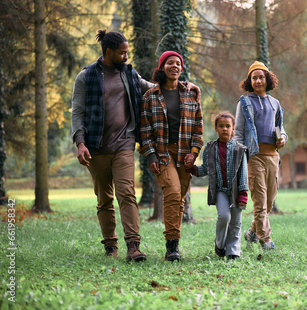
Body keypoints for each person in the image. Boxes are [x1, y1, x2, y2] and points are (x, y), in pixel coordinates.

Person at [71, 30, 152, 262]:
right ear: (108, 52)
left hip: (124, 143)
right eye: (122, 52)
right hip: (95, 147)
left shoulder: (128, 73)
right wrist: (80, 142)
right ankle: (110, 247)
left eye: (127, 52)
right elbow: (77, 111)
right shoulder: (86, 76)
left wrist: (181, 86)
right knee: (104, 199)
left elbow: (151, 87)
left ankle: (133, 246)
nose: (126, 56)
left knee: (126, 193)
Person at [140, 51, 203, 261]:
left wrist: (194, 153)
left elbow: (198, 127)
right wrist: (151, 157)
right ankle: (171, 246)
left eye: (177, 63)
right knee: (173, 194)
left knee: (180, 198)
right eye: (169, 63)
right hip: (163, 152)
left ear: (181, 69)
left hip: (185, 153)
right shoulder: (151, 96)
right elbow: (145, 130)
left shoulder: (191, 93)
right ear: (162, 67)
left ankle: (174, 244)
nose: (174, 66)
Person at [235, 61, 287, 251]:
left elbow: (281, 129)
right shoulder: (244, 102)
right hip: (254, 156)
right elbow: (238, 132)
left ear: (267, 79)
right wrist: (242, 155)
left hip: (273, 157)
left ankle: (251, 233)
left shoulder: (275, 103)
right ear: (250, 81)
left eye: (261, 77)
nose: (258, 80)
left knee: (269, 202)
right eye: (254, 78)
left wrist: (283, 139)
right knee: (259, 201)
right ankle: (266, 241)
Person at [189, 111, 248, 260]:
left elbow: (243, 173)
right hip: (220, 190)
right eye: (221, 126)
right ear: (216, 128)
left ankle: (233, 251)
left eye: (228, 126)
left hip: (236, 191)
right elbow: (206, 168)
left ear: (233, 128)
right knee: (224, 216)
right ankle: (220, 245)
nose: (224, 129)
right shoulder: (210, 148)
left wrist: (243, 193)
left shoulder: (240, 150)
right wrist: (193, 169)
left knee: (235, 221)